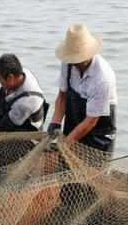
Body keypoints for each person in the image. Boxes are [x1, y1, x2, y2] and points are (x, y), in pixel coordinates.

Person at [0, 53, 48, 187]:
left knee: (5, 160)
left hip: (25, 136)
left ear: (11, 77)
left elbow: (4, 126)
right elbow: (0, 96)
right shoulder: (21, 74)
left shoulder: (27, 101)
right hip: (12, 122)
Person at [48, 23, 117, 155]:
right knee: (63, 165)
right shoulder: (67, 62)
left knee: (94, 172)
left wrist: (65, 145)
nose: (75, 62)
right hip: (74, 120)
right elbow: (62, 96)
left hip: (98, 129)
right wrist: (55, 122)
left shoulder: (103, 78)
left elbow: (91, 121)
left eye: (78, 59)